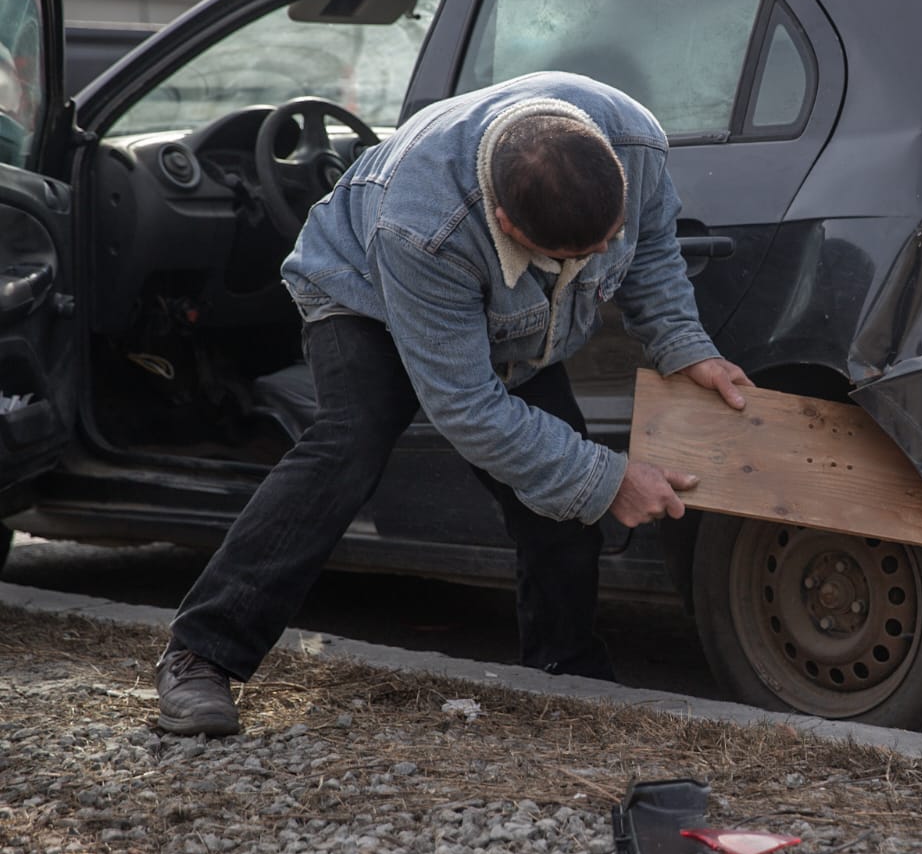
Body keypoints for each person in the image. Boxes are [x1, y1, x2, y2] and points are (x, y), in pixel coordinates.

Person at [155, 72, 751, 736]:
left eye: (607, 238)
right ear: (506, 223)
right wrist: (609, 478)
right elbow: (467, 408)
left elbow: (652, 251)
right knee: (349, 445)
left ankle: (565, 671)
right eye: (576, 255)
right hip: (363, 295)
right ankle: (200, 654)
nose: (602, 258)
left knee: (557, 488)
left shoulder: (633, 139)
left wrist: (684, 346)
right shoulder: (423, 224)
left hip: (515, 320)